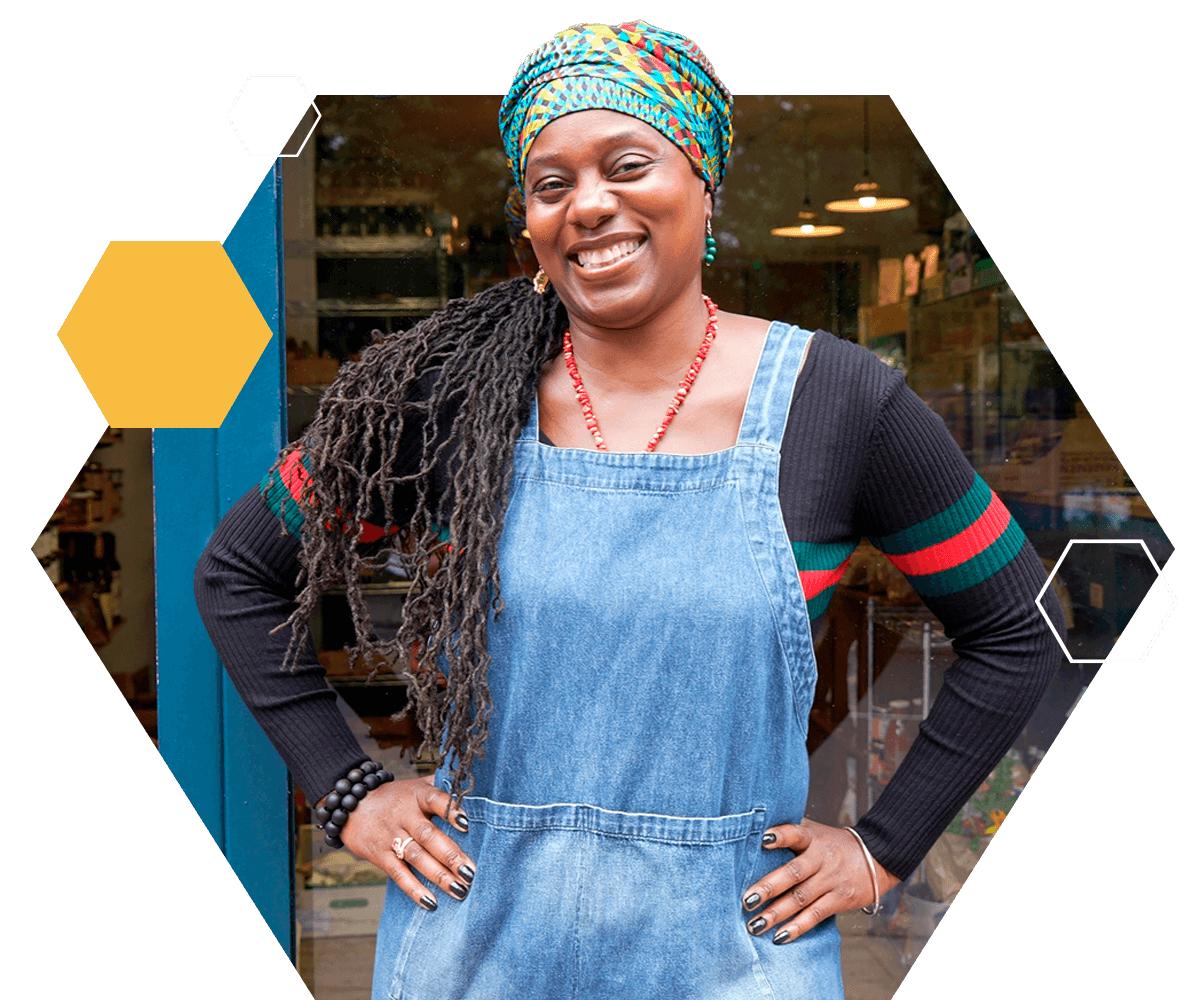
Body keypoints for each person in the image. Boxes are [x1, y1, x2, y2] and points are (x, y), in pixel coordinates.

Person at [195, 21, 1064, 999]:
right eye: (551, 183)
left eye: (628, 162)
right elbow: (238, 570)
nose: (589, 204)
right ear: (528, 221)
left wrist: (884, 846)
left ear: (704, 181)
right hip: (475, 949)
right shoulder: (438, 400)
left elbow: (1019, 629)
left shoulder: (841, 403)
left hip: (738, 956)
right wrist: (347, 787)